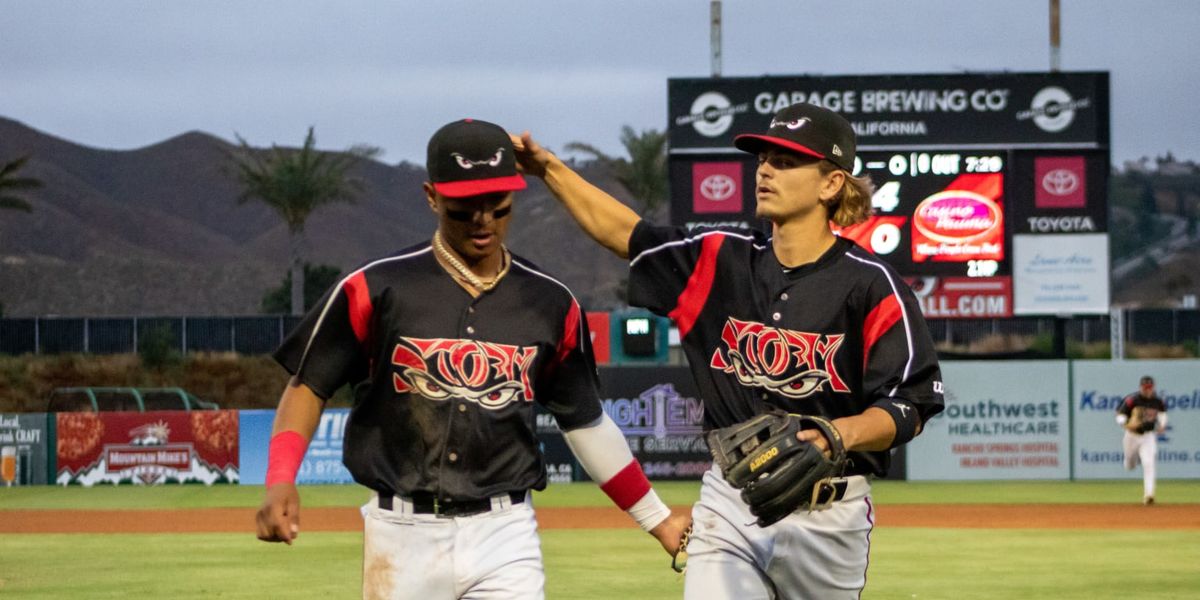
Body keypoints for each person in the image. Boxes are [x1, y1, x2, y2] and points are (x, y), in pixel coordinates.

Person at [512, 102, 945, 599]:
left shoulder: (872, 286)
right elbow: (625, 234)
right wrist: (549, 168)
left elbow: (911, 405)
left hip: (832, 515)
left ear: (831, 184)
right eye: (764, 158)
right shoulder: (718, 259)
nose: (765, 169)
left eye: (786, 161)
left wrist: (834, 435)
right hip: (731, 502)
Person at [255, 118, 689, 599]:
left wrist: (658, 520)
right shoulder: (374, 288)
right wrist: (279, 480)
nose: (483, 218)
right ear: (431, 196)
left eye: (497, 204)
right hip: (401, 536)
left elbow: (585, 423)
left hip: (505, 532)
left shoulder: (550, 302)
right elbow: (308, 384)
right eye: (465, 205)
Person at [1117, 375, 1168, 505]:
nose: (1147, 390)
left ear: (1153, 388)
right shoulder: (1132, 400)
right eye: (1145, 387)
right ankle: (1130, 461)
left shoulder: (1158, 401)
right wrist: (1126, 424)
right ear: (1141, 387)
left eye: (1149, 387)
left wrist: (1162, 425)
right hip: (1131, 436)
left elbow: (1162, 415)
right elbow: (1120, 415)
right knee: (1130, 465)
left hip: (1148, 436)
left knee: (1149, 463)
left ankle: (1149, 495)